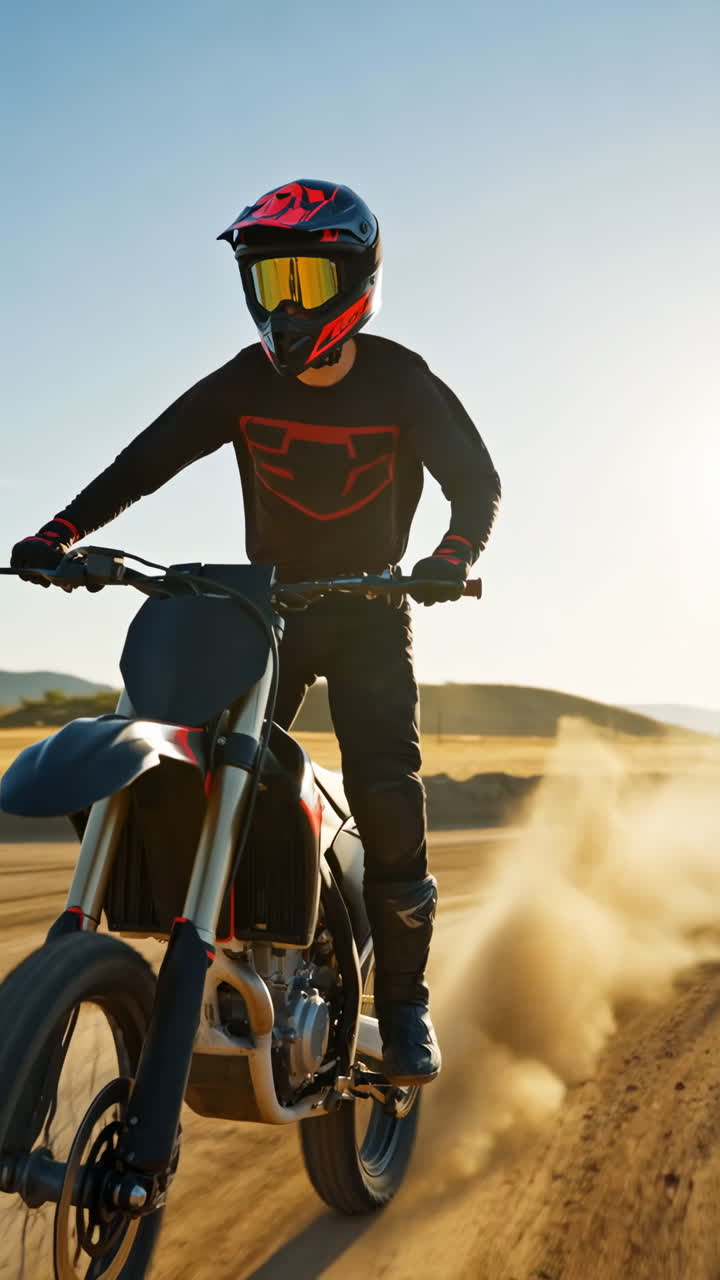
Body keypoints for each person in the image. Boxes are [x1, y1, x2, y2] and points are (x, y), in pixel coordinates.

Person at [10, 179, 501, 1086]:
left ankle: (403, 1007)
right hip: (265, 610)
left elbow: (477, 483)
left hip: (368, 615)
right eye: (270, 281)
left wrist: (450, 554)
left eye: (306, 282)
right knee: (193, 763)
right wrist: (60, 533)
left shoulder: (403, 381)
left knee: (388, 793)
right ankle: (229, 933)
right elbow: (145, 461)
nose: (285, 306)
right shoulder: (243, 381)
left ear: (356, 281)